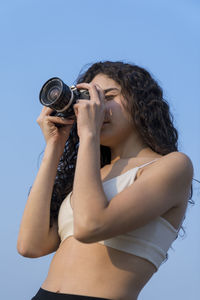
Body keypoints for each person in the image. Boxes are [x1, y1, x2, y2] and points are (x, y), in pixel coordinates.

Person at [17, 61, 194, 300]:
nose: (96, 107)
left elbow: (91, 226)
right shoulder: (91, 174)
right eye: (88, 99)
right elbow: (30, 245)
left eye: (107, 97)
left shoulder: (171, 166)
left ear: (140, 102)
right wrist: (54, 147)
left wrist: (88, 133)